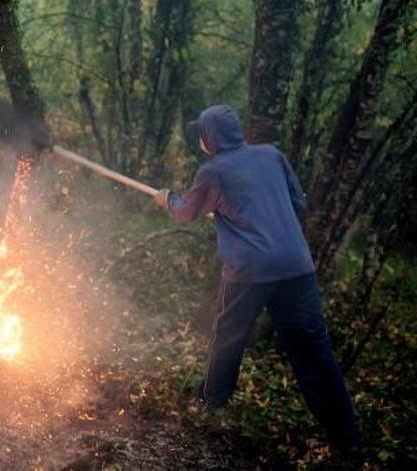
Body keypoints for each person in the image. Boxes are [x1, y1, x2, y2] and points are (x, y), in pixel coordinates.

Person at [153, 104, 359, 449]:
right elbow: (298, 202)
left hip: (250, 271)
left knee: (228, 339)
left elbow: (186, 211)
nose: (201, 141)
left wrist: (167, 199)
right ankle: (346, 436)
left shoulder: (213, 171)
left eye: (202, 134)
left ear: (210, 137)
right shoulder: (271, 155)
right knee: (313, 351)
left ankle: (210, 405)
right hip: (296, 266)